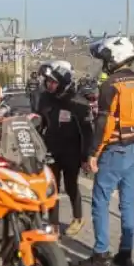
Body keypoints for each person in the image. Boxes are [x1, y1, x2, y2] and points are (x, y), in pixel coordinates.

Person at [80, 36, 134, 266]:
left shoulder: (111, 85)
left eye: (105, 58)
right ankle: (126, 253)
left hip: (114, 150)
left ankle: (101, 253)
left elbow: (104, 124)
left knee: (101, 202)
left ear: (114, 58)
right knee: (127, 203)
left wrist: (93, 154)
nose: (104, 63)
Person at [37, 62, 93, 237]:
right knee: (52, 187)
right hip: (51, 149)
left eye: (53, 82)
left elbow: (87, 132)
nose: (49, 85)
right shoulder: (45, 98)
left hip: (72, 151)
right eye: (48, 81)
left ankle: (78, 218)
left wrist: (86, 157)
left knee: (70, 186)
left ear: (62, 82)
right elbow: (40, 122)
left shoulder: (78, 102)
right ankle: (53, 224)